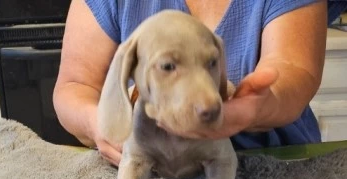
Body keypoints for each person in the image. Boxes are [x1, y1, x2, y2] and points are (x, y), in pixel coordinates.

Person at [53, 0, 347, 166]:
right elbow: (74, 85)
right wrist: (103, 125)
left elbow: (292, 69)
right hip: (154, 169)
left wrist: (259, 105)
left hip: (274, 165)